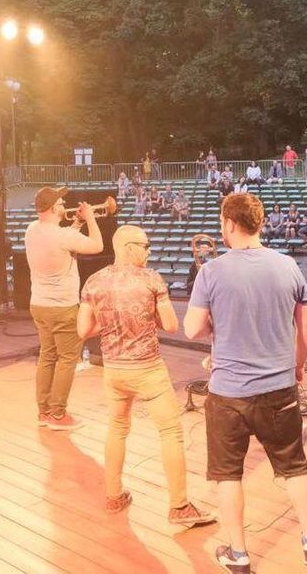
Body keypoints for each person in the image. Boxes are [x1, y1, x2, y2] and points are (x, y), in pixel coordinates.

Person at [183, 193, 307, 573]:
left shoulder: (211, 272)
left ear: (229, 224)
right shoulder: (288, 266)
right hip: (279, 389)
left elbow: (192, 328)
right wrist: (298, 367)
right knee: (295, 466)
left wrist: (219, 323)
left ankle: (239, 555)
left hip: (228, 394)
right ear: (258, 224)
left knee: (229, 475)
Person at [77, 225, 216, 524]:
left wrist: (113, 322)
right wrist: (144, 314)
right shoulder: (151, 279)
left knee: (117, 429)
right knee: (170, 432)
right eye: (145, 245)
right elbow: (170, 325)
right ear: (128, 247)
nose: (149, 251)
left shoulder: (94, 281)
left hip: (114, 370)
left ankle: (114, 495)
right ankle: (179, 506)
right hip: (147, 368)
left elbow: (83, 330)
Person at [24, 187, 104, 430]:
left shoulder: (31, 229)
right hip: (63, 307)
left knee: (47, 357)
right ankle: (58, 415)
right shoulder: (61, 235)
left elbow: (62, 240)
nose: (63, 206)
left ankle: (44, 411)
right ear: (52, 209)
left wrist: (76, 224)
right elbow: (97, 245)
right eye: (60, 203)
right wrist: (89, 217)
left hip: (39, 304)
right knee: (67, 360)